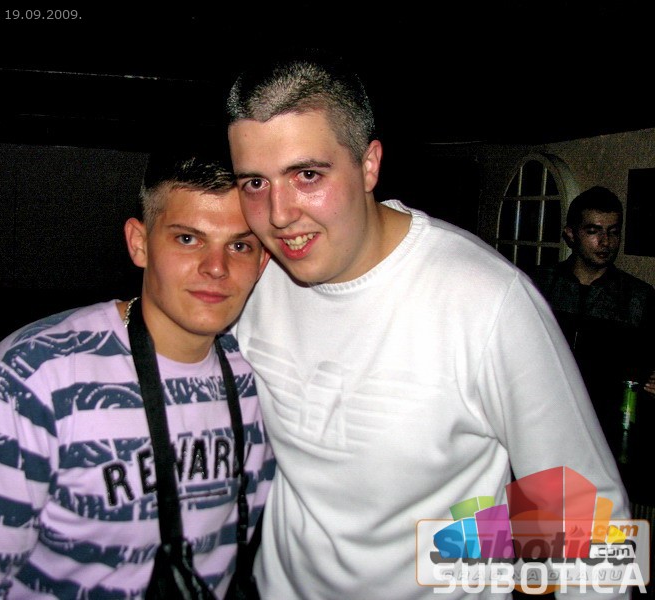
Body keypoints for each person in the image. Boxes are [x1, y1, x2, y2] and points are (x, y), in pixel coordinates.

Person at [224, 48, 632, 599]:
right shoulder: (256, 278)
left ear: (369, 165)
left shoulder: (486, 300)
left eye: (307, 174)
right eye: (255, 183)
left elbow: (587, 522)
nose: (278, 214)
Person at [0, 141, 275, 598]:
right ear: (139, 243)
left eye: (240, 245)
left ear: (263, 261)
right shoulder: (32, 377)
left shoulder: (258, 378)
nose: (216, 267)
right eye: (188, 239)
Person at [531, 187, 655, 487]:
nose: (605, 242)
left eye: (613, 232)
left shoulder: (639, 298)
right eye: (593, 231)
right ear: (571, 234)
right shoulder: (538, 286)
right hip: (540, 432)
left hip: (607, 442)